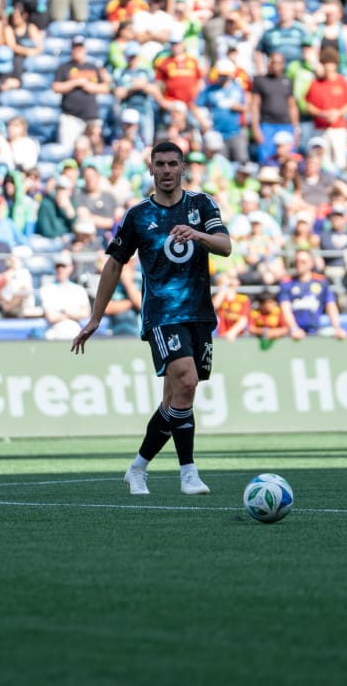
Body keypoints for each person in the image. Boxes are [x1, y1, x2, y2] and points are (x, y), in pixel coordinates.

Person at [71, 141, 232, 497]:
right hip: (162, 313)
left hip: (200, 313)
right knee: (187, 383)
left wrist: (198, 234)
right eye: (160, 164)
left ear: (183, 168)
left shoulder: (202, 205)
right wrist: (96, 318)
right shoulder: (138, 215)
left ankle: (138, 468)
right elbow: (114, 264)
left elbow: (225, 245)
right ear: (151, 170)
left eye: (173, 163)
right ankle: (188, 472)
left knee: (175, 398)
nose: (167, 170)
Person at [40, 251, 91, 340]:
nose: (60, 269)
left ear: (71, 267)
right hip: (54, 335)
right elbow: (51, 317)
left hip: (75, 333)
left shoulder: (79, 290)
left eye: (63, 266)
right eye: (58, 266)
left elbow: (86, 313)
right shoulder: (47, 289)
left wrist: (64, 312)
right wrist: (73, 313)